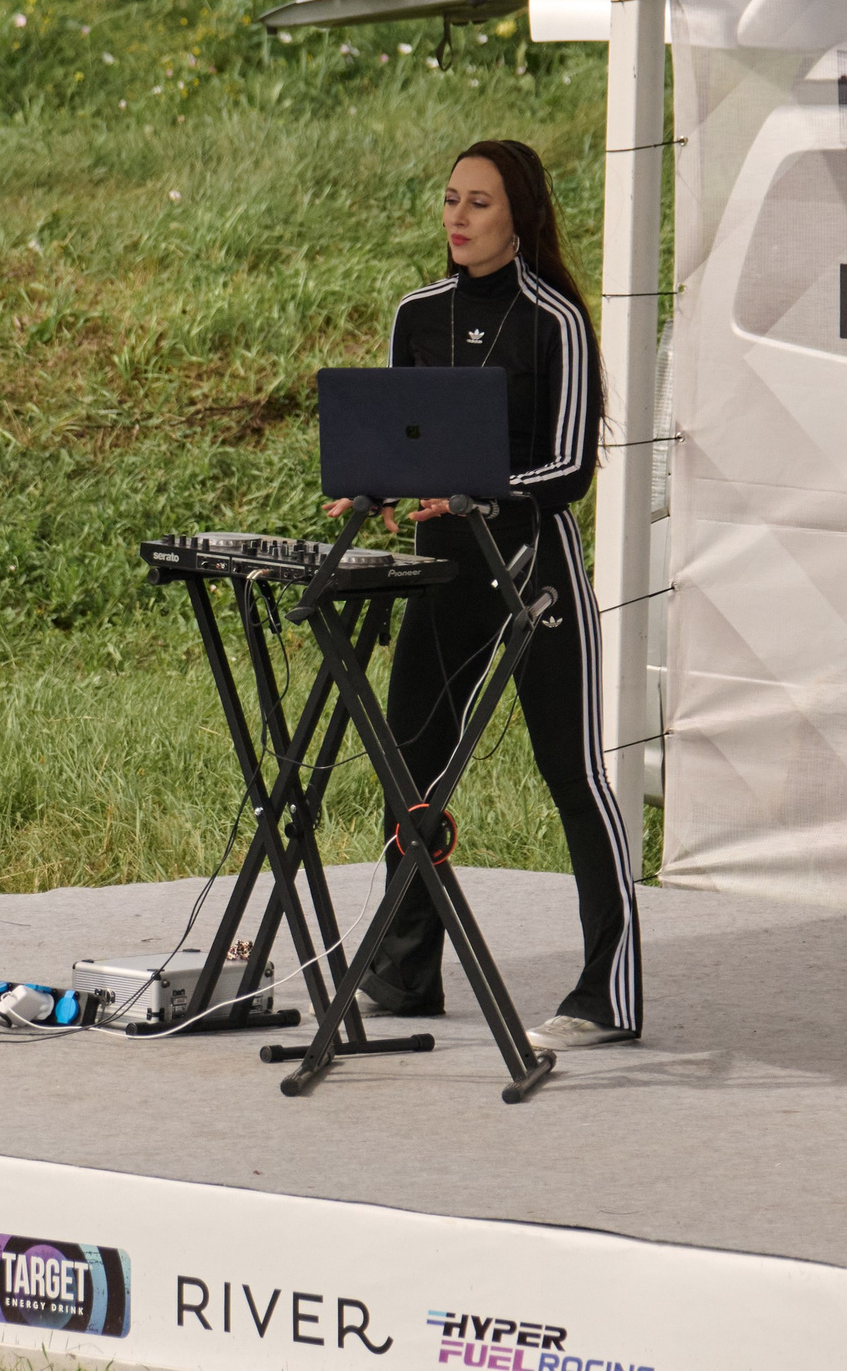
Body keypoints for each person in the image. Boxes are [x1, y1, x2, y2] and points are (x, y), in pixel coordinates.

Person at [322, 138, 642, 1049]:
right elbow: (401, 440)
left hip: (530, 578)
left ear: (521, 218)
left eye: (480, 204)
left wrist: (487, 488)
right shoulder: (416, 315)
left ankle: (604, 991)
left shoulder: (556, 322)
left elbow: (572, 468)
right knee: (407, 770)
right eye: (451, 201)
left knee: (572, 775)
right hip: (440, 575)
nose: (458, 219)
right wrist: (373, 482)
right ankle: (406, 970)